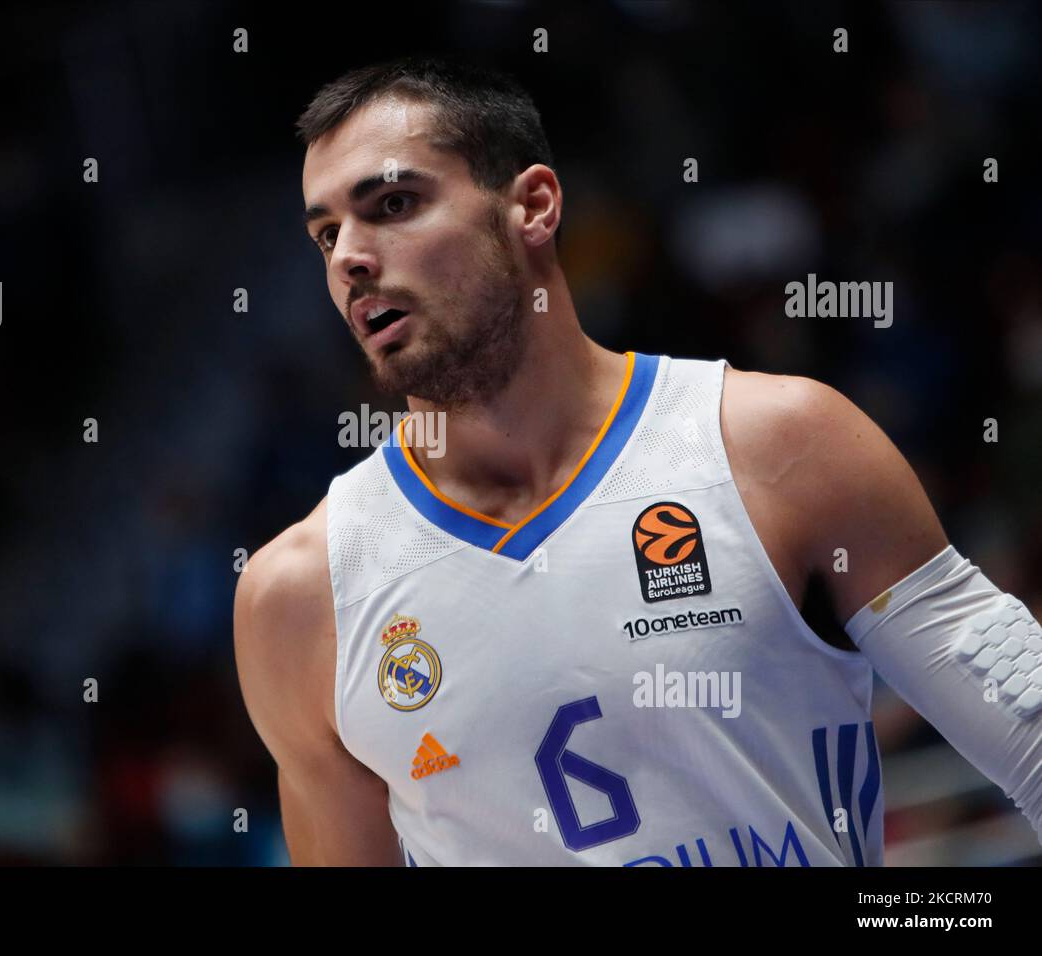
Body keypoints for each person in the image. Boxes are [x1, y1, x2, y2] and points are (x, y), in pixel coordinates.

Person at [234, 57, 1042, 866]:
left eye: (394, 205)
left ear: (534, 206)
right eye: (327, 234)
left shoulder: (782, 444)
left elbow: (1031, 737)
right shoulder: (300, 598)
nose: (350, 259)